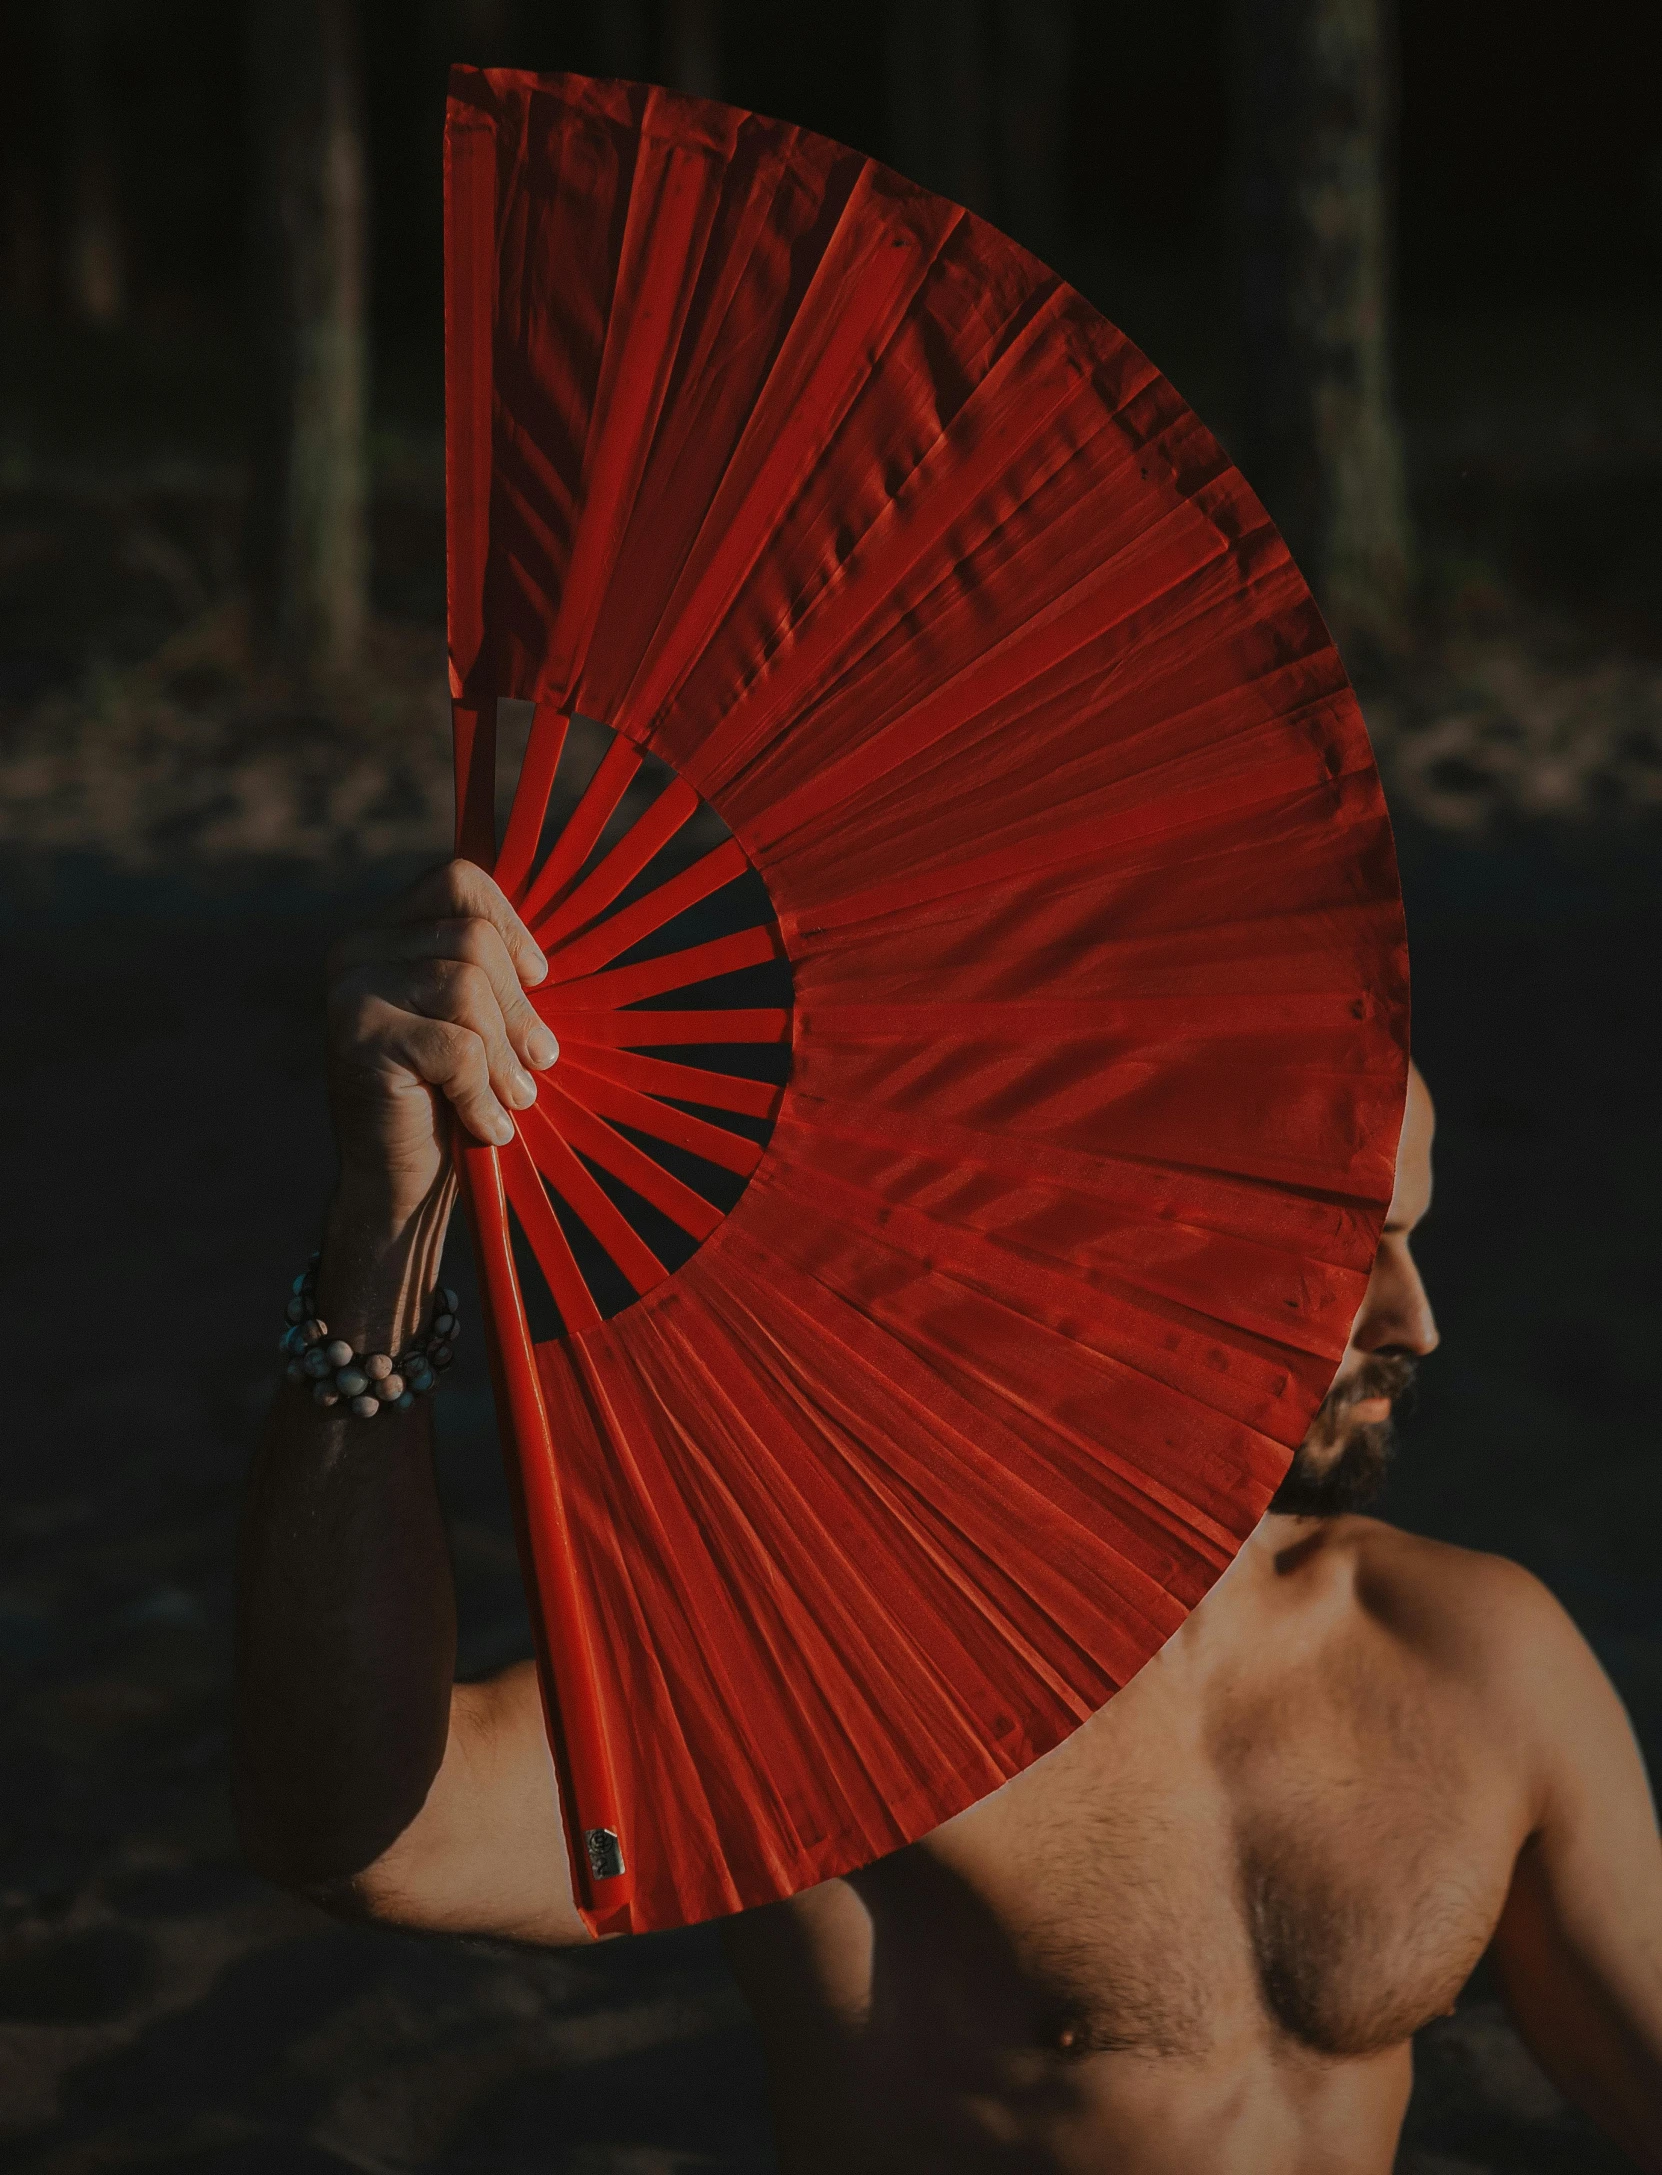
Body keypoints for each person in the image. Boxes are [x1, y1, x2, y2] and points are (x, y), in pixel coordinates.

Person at [234, 859, 1662, 2175]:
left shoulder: (1473, 1652)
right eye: (1348, 1250)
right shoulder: (858, 1662)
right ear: (1124, 1237)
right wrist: (386, 1236)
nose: (1416, 1322)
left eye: (1410, 1236)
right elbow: (373, 1842)